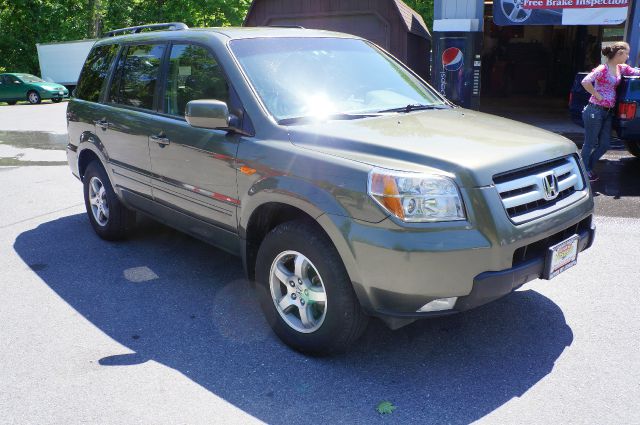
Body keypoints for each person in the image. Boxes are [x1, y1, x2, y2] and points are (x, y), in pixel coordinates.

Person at [581, 42, 640, 182]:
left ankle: (585, 168)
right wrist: (597, 95)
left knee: (605, 144)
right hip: (594, 110)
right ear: (619, 54)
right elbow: (585, 81)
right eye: (626, 53)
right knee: (589, 143)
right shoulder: (603, 68)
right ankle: (585, 170)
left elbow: (637, 73)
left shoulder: (621, 68)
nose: (628, 56)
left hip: (607, 112)